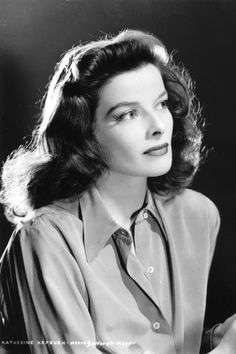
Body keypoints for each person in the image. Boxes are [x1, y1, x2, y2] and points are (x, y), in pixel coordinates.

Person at [0, 29, 235, 354]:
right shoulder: (46, 240)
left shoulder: (197, 216)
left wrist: (220, 337)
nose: (158, 125)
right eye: (128, 114)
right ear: (85, 134)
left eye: (161, 104)